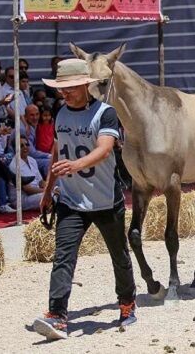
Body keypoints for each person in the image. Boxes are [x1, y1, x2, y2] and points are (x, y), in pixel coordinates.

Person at [33, 58, 136, 340]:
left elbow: (105, 149)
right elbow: (57, 150)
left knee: (119, 256)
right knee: (63, 258)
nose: (63, 93)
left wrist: (74, 166)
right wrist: (47, 191)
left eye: (69, 88)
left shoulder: (106, 113)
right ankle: (57, 316)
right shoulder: (60, 113)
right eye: (61, 88)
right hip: (70, 200)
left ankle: (127, 304)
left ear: (84, 85)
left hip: (106, 201)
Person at [9, 136, 44, 211]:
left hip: (36, 194)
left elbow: (41, 182)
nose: (25, 147)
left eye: (26, 144)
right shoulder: (14, 165)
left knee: (59, 191)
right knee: (51, 196)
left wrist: (53, 188)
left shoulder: (32, 160)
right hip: (22, 199)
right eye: (21, 146)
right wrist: (47, 191)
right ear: (15, 149)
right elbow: (28, 190)